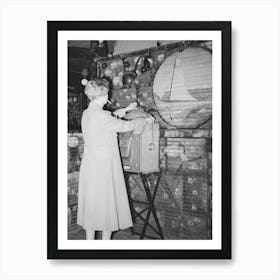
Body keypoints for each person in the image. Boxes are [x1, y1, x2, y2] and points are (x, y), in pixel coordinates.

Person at [77, 78, 152, 240]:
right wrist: (144, 120)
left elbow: (110, 118)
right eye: (106, 93)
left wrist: (126, 109)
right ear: (102, 95)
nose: (108, 96)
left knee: (93, 206)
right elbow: (125, 126)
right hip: (104, 168)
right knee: (107, 206)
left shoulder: (88, 113)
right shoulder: (102, 116)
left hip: (91, 165)